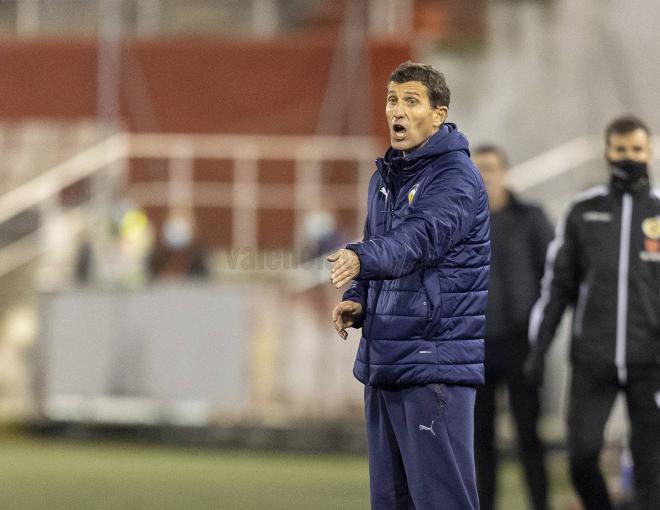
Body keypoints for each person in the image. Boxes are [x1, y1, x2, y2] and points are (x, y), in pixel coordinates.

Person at [327, 61, 490, 510]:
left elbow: (415, 241)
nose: (396, 111)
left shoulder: (456, 178)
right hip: (386, 361)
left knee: (442, 502)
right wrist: (358, 299)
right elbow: (382, 244)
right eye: (392, 100)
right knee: (392, 503)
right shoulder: (385, 177)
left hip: (433, 363)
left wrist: (361, 258)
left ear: (439, 114)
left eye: (411, 101)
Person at [525, 116, 660, 510]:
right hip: (592, 360)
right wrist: (539, 347)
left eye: (637, 150)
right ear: (607, 151)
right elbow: (558, 286)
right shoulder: (582, 212)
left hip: (650, 363)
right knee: (582, 455)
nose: (629, 157)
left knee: (653, 465)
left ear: (648, 151)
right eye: (621, 150)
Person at [472, 145, 553, 510]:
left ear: (505, 171)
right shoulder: (460, 222)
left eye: (490, 168)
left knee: (529, 435)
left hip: (522, 343)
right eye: (478, 169)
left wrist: (541, 329)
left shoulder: (531, 218)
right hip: (474, 345)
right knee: (479, 438)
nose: (485, 175)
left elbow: (555, 277)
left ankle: (540, 503)